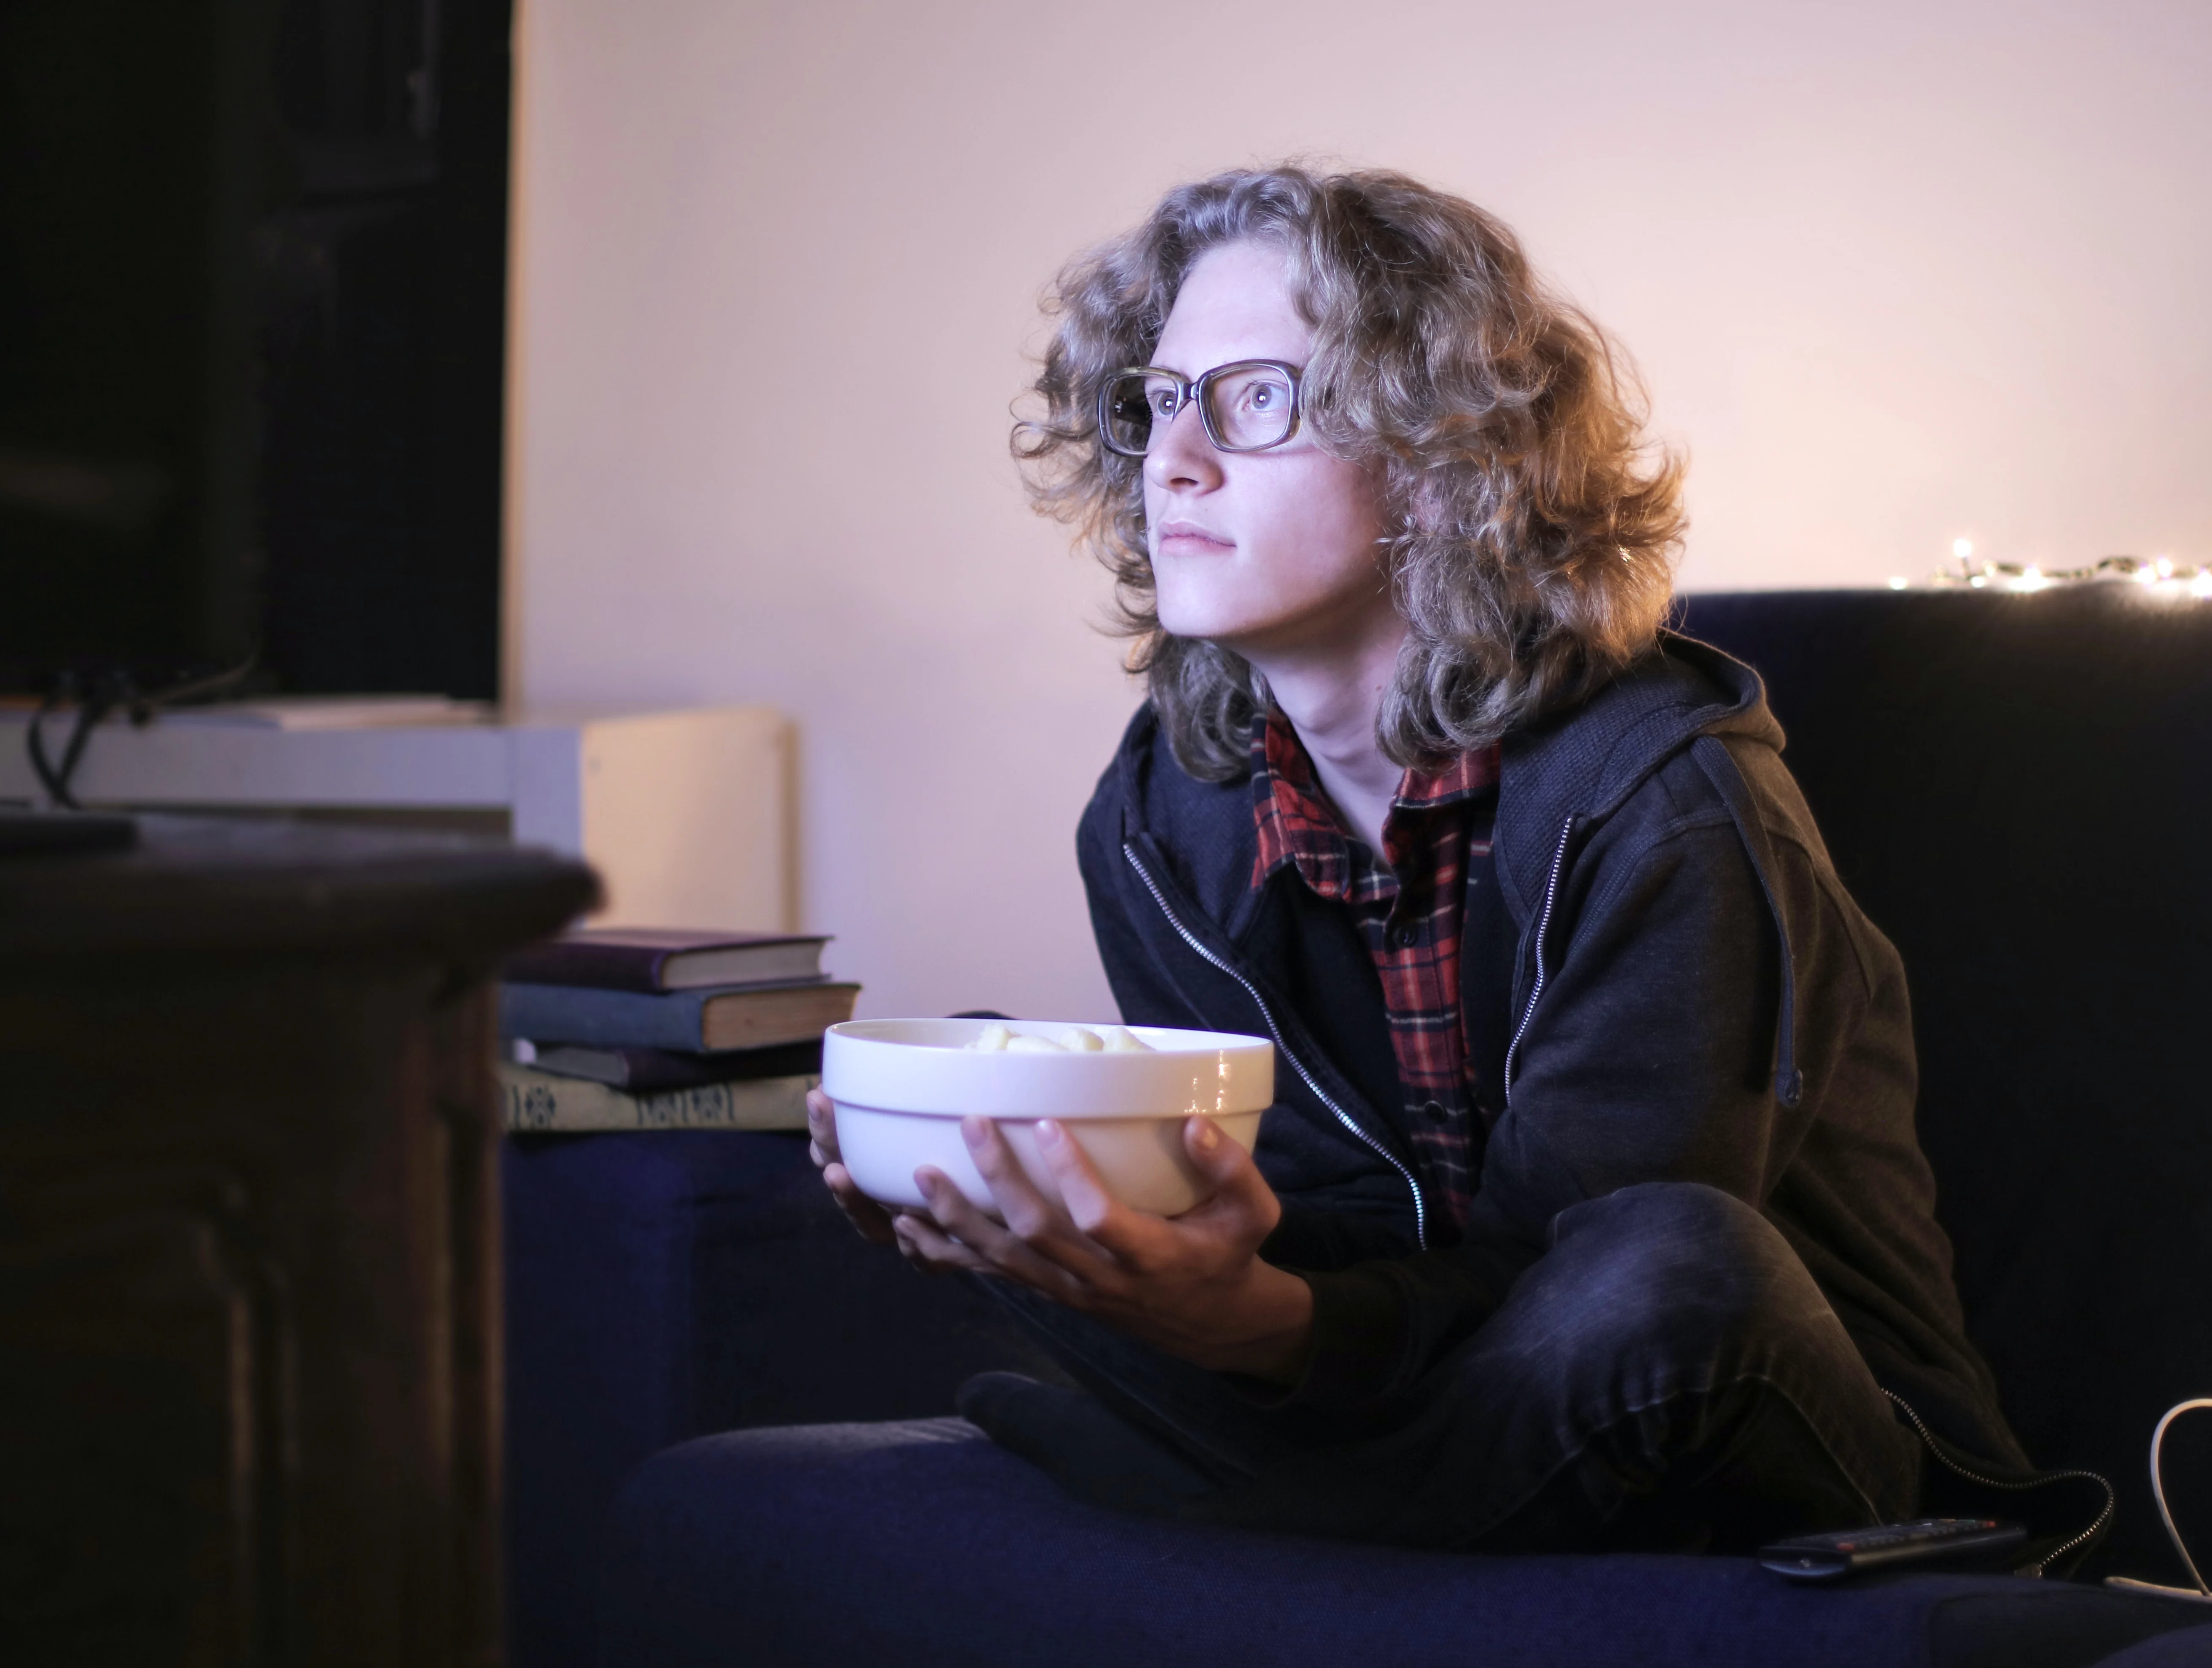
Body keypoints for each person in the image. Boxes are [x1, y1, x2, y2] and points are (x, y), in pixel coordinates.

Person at [802, 164, 2023, 1552]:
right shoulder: (1157, 820)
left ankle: (1282, 1510)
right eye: (1159, 401)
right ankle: (1342, 1503)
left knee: (1670, 1264)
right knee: (989, 1115)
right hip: (1405, 1380)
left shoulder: (1663, 805)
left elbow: (1569, 1286)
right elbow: (1312, 1221)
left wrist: (1254, 1327)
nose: (1174, 462)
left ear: (1442, 464)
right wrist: (1153, 1259)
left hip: (1783, 1434)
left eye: (1256, 398)